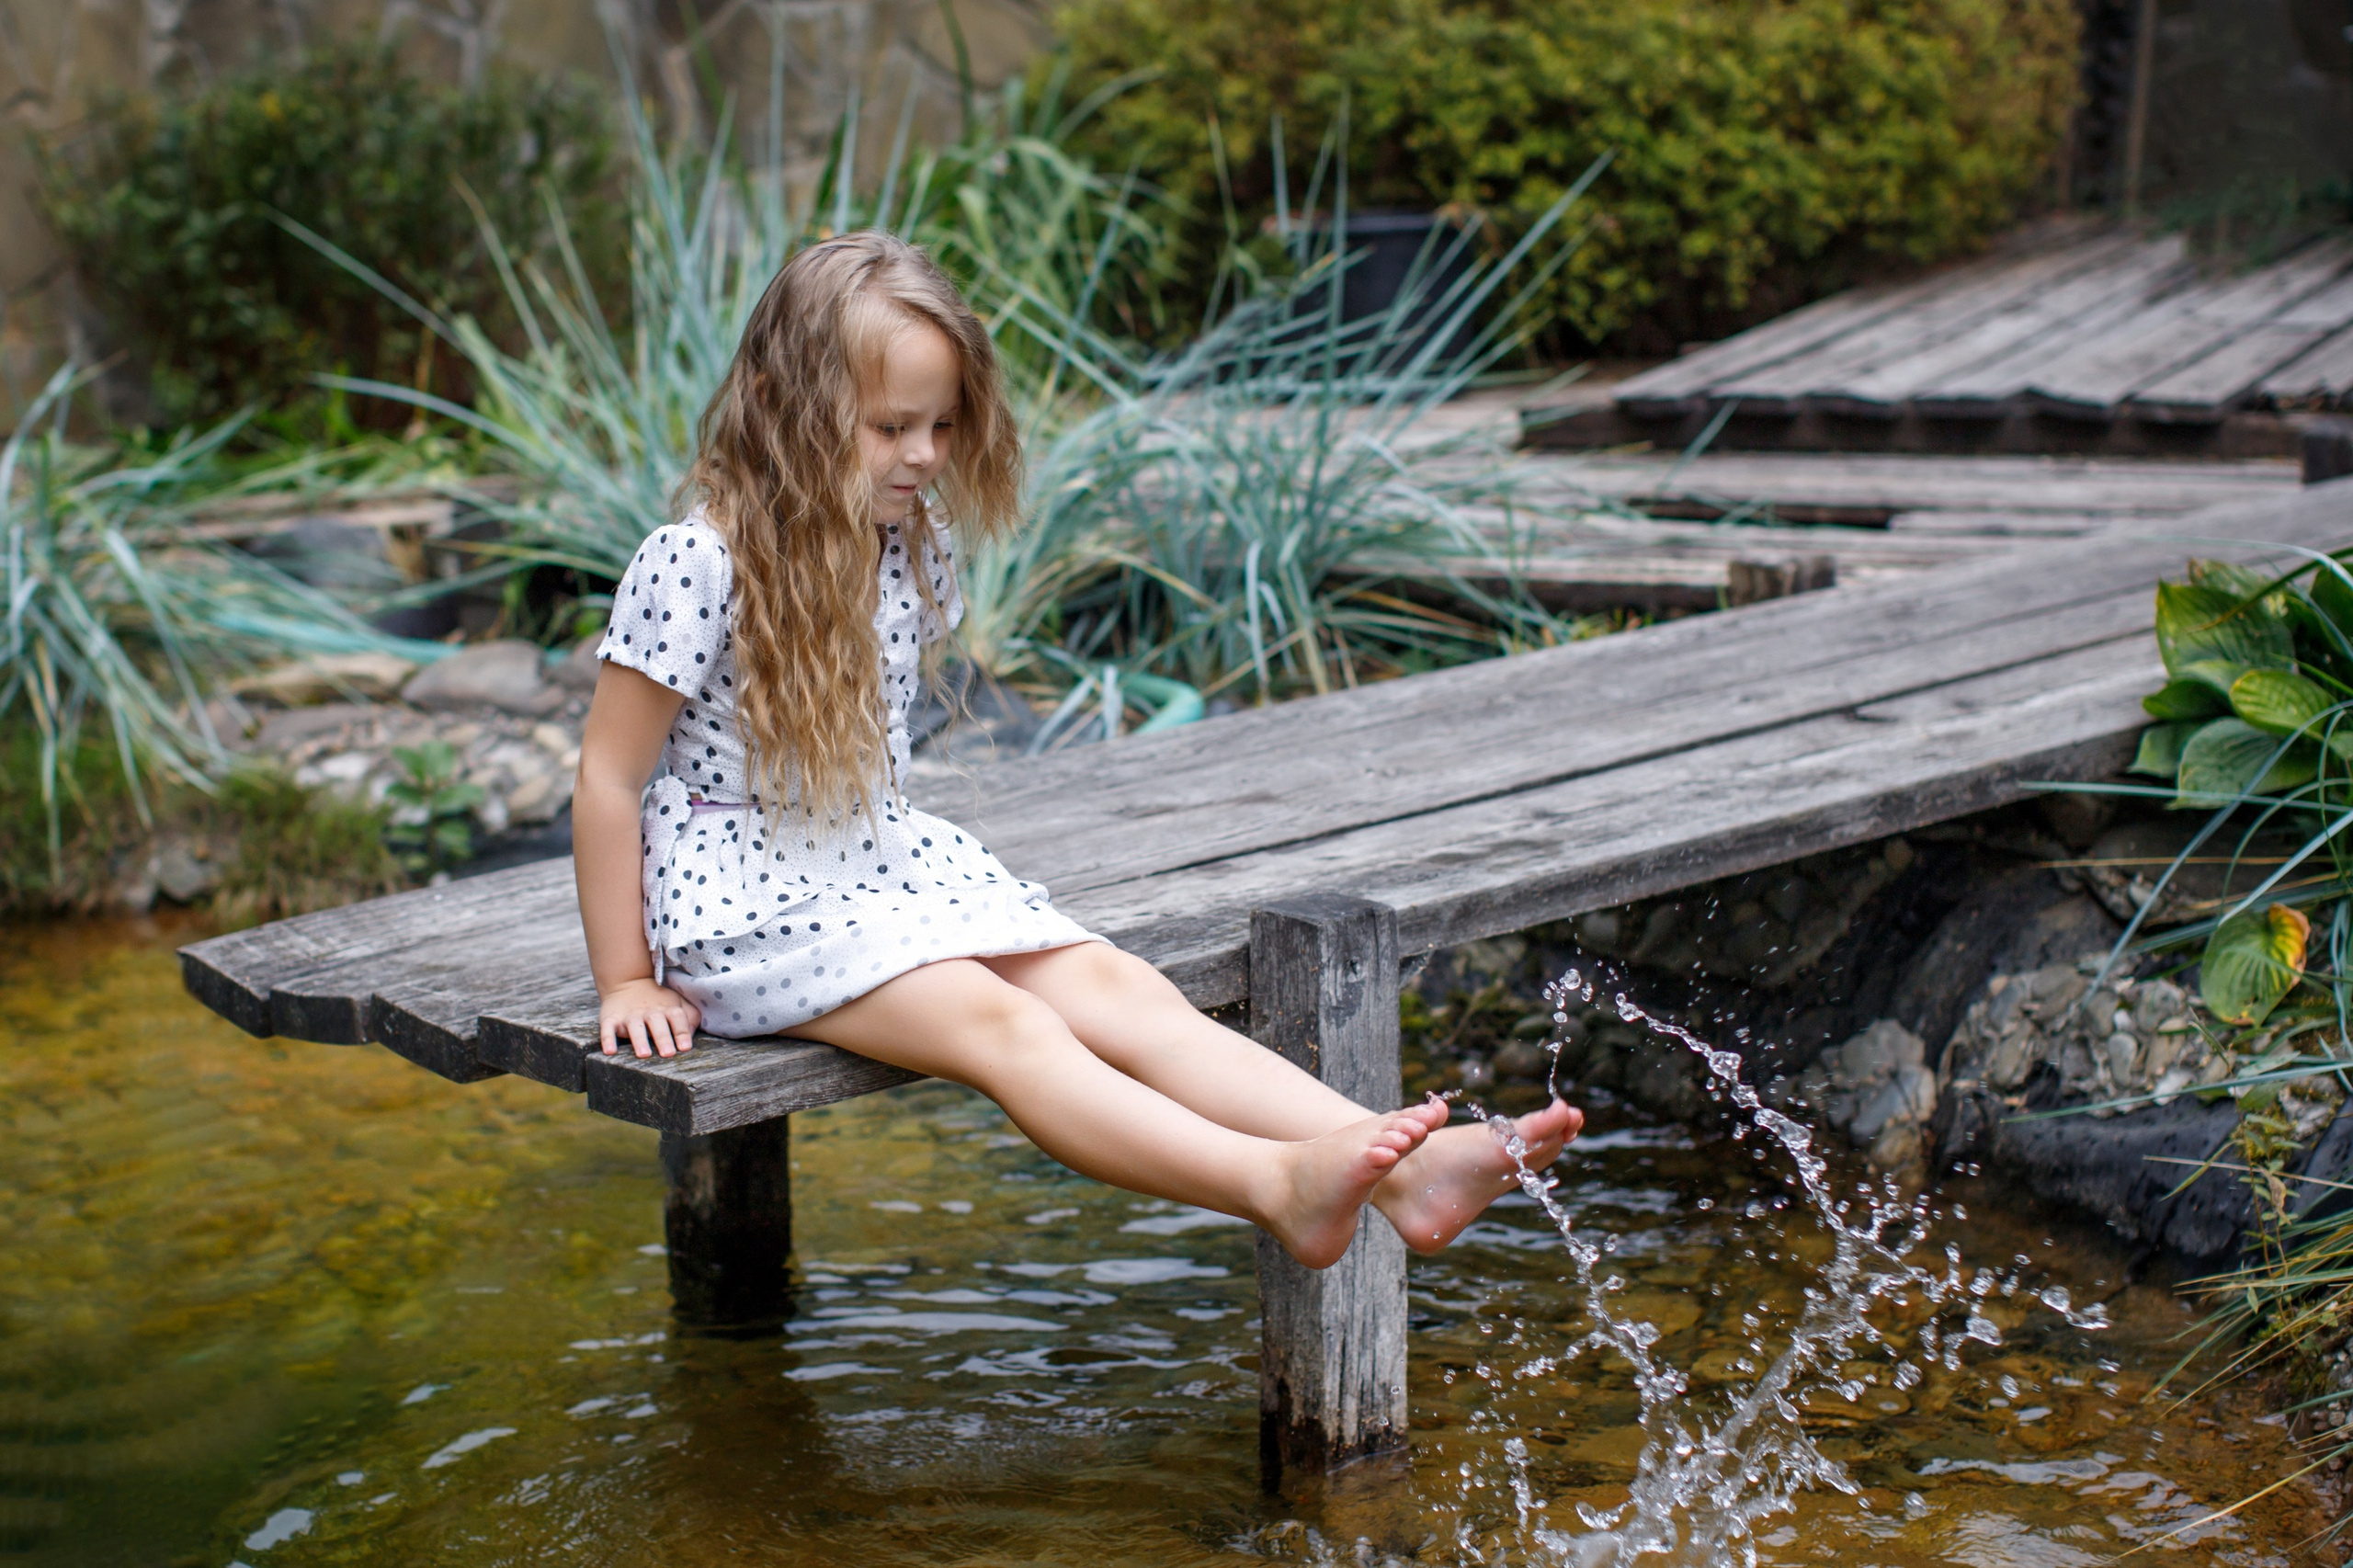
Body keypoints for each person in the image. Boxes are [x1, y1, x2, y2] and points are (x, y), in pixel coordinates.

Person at [571, 231, 1581, 1269]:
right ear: (785, 402)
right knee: (1002, 1024)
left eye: (944, 424)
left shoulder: (904, 535)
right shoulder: (699, 561)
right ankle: (1274, 1184)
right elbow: (608, 776)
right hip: (744, 901)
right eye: (890, 426)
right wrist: (624, 979)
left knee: (1120, 986)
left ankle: (1408, 1175)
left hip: (874, 862)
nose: (924, 454)